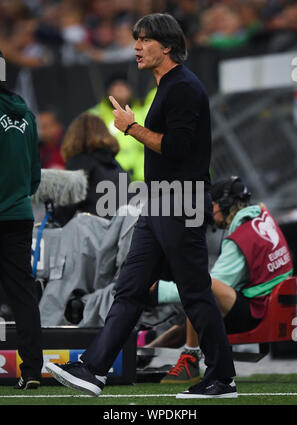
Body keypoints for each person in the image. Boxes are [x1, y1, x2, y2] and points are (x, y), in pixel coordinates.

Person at [46, 13, 237, 399]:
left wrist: (131, 128)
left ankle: (221, 377)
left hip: (180, 201)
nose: (135, 46)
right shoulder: (169, 85)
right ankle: (94, 368)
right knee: (130, 289)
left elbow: (178, 148)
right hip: (161, 201)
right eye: (135, 39)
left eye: (144, 39)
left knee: (195, 292)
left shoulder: (182, 86)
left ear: (166, 46)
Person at [155, 176, 293, 384]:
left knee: (199, 285)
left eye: (213, 205)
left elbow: (204, 284)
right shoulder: (261, 219)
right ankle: (145, 354)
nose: (210, 211)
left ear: (226, 203)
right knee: (190, 314)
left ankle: (190, 360)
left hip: (256, 312)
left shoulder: (242, 238)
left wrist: (158, 290)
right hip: (266, 304)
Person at [0, 50, 43, 389]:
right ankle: (31, 371)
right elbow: (34, 176)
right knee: (23, 295)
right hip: (19, 215)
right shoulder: (26, 113)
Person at [54, 112, 131, 225]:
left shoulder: (79, 163)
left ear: (73, 136)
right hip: (122, 233)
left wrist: (50, 219)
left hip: (96, 235)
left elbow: (65, 209)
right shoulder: (117, 165)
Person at [88, 76, 146, 182]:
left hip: (141, 178)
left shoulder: (143, 112)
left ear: (131, 90)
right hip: (108, 179)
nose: (120, 90)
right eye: (115, 86)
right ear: (108, 91)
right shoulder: (95, 115)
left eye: (123, 86)